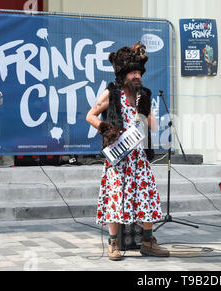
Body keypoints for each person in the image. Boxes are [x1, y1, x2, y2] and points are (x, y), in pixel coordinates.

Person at [86, 42, 169, 260]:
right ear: (124, 73)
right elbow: (90, 115)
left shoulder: (144, 93)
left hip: (139, 156)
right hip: (118, 155)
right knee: (115, 198)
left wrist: (144, 109)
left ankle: (148, 242)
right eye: (132, 72)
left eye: (138, 72)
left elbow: (152, 126)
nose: (136, 76)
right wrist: (105, 129)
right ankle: (113, 244)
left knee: (148, 197)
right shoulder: (111, 92)